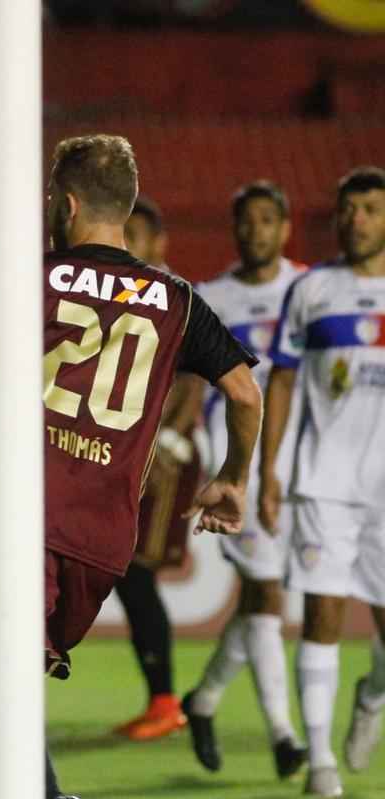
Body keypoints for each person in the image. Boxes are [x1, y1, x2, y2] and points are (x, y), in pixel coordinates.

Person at [0, 133, 263, 799]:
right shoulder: (177, 299)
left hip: (30, 517)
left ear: (66, 204)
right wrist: (234, 478)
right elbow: (245, 393)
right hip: (105, 539)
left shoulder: (30, 281)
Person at [258, 166, 385, 798]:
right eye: (348, 209)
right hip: (323, 480)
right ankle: (320, 762)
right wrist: (268, 470)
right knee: (322, 613)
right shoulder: (311, 290)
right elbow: (281, 380)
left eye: (370, 210)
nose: (356, 220)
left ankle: (373, 694)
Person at [180, 180, 308, 779]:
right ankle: (284, 734)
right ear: (234, 229)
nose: (255, 230)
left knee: (263, 597)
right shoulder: (211, 298)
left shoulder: (307, 289)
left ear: (285, 228)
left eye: (266, 220)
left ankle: (203, 701)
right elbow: (186, 382)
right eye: (246, 220)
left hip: (303, 465)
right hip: (238, 464)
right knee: (267, 594)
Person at [110, 196, 203, 741]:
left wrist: (170, 436)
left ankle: (168, 702)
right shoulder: (119, 293)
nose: (127, 243)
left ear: (160, 242)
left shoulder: (173, 296)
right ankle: (162, 701)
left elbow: (194, 377)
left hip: (163, 455)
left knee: (134, 570)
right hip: (126, 453)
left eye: (136, 234)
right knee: (124, 574)